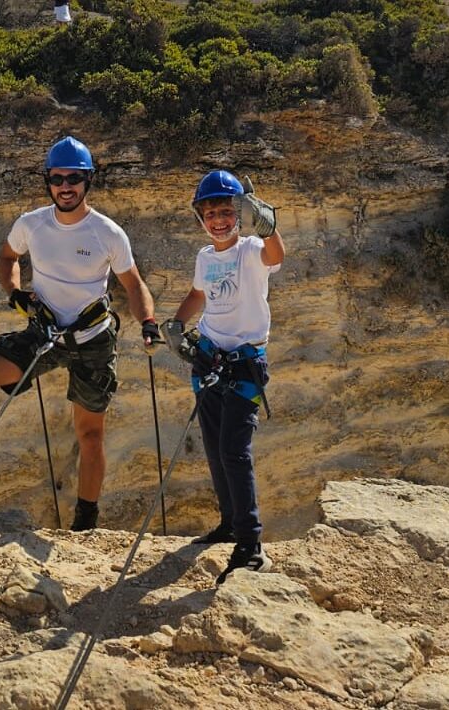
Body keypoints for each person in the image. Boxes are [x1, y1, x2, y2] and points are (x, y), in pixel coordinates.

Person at [0, 136, 161, 532]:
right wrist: (15, 293)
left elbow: (133, 286)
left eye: (74, 178)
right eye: (57, 178)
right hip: (44, 333)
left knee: (90, 434)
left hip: (92, 341)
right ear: (47, 181)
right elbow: (7, 257)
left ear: (88, 181)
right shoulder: (32, 224)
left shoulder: (107, 233)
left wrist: (148, 323)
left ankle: (85, 522)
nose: (66, 186)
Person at [161, 170, 285, 585]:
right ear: (200, 218)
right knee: (215, 449)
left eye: (226, 212)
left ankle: (251, 545)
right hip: (209, 360)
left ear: (239, 215)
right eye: (210, 213)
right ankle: (229, 523)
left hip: (244, 365)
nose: (218, 219)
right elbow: (199, 294)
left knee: (235, 450)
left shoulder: (250, 250)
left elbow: (275, 256)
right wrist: (176, 324)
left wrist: (269, 226)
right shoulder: (205, 258)